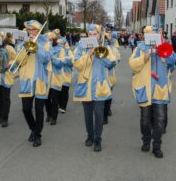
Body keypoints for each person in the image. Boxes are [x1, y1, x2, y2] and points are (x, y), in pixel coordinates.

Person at [129, 26, 176, 158]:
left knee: (160, 119)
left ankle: (157, 146)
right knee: (145, 120)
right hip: (145, 88)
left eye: (155, 34)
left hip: (159, 89)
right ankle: (146, 141)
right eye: (150, 34)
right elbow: (132, 65)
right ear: (145, 36)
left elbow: (173, 62)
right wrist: (146, 56)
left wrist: (163, 49)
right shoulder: (140, 48)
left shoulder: (164, 45)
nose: (153, 36)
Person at [73, 24, 116, 152]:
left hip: (99, 86)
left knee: (98, 114)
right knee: (87, 115)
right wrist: (89, 55)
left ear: (98, 35)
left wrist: (100, 53)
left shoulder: (105, 47)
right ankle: (90, 136)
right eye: (90, 34)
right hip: (85, 86)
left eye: (94, 34)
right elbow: (77, 65)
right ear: (87, 35)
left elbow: (111, 62)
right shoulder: (80, 46)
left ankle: (98, 139)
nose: (92, 36)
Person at [17, 20, 51, 147]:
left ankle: (38, 135)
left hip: (40, 80)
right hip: (26, 80)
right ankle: (33, 129)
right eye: (29, 30)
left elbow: (46, 59)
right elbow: (20, 61)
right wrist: (26, 48)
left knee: (39, 110)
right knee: (25, 109)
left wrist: (36, 46)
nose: (30, 32)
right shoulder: (22, 43)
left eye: (32, 30)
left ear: (38, 31)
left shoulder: (46, 43)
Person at [0, 33, 16, 128]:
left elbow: (15, 59)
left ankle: (5, 118)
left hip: (6, 76)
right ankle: (1, 116)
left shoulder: (9, 48)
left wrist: (10, 63)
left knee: (5, 98)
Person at [45, 31, 65, 125]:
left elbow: (61, 63)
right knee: (46, 98)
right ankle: (48, 114)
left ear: (54, 40)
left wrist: (51, 57)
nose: (48, 41)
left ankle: (54, 117)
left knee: (55, 98)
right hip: (45, 77)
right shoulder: (44, 48)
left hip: (55, 77)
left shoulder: (60, 49)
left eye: (50, 40)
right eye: (47, 40)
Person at [103, 30, 121, 124]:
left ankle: (106, 111)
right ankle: (102, 113)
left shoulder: (112, 49)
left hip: (109, 75)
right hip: (99, 76)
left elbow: (117, 59)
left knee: (108, 93)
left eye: (106, 39)